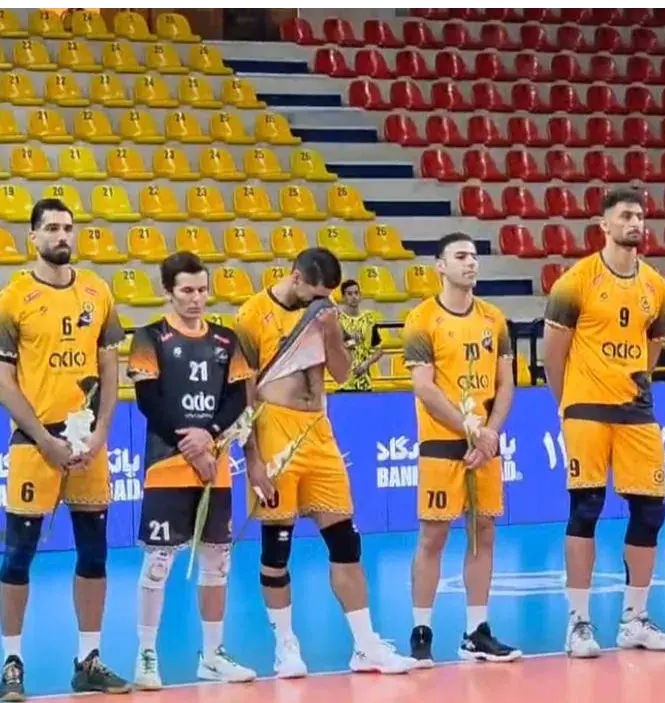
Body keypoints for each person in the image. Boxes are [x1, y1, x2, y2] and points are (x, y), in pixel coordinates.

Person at [234, 247, 413, 676]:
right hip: (274, 429)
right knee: (277, 545)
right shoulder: (252, 315)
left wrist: (331, 330)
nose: (321, 302)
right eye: (315, 295)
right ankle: (286, 646)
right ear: (295, 277)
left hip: (318, 429)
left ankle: (366, 646)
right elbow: (243, 391)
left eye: (326, 296)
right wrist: (252, 459)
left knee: (345, 540)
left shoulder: (325, 313)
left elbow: (344, 373)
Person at [0, 198, 130, 698]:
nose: (62, 236)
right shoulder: (13, 298)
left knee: (94, 552)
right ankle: (12, 662)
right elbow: (5, 381)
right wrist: (43, 439)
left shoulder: (97, 291)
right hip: (36, 442)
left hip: (88, 442)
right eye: (52, 228)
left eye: (68, 228)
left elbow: (110, 368)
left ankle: (89, 659)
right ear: (32, 237)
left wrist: (100, 433)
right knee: (18, 556)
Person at [543, 188, 665, 658]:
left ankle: (634, 619)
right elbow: (552, 355)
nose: (635, 223)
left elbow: (655, 342)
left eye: (640, 215)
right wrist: (568, 403)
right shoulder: (576, 281)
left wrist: (635, 377)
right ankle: (578, 623)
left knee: (651, 511)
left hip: (635, 410)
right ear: (604, 225)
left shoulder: (656, 285)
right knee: (586, 508)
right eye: (625, 216)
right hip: (586, 408)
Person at [126, 252, 257, 689]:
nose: (196, 298)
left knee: (218, 561)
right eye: (187, 290)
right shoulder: (149, 337)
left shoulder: (226, 339)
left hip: (214, 465)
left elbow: (237, 397)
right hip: (168, 464)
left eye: (202, 290)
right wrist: (190, 443)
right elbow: (148, 400)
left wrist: (210, 434)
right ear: (169, 291)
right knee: (159, 561)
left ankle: (213, 655)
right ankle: (146, 654)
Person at [403, 232, 521, 666]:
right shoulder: (421, 319)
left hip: (485, 443)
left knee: (483, 532)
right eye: (460, 256)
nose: (471, 263)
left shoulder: (494, 319)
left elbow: (506, 384)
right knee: (433, 535)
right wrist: (469, 429)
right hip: (442, 440)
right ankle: (421, 630)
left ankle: (476, 631)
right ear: (440, 266)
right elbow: (424, 387)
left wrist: (489, 434)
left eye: (474, 255)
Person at [337, 279, 382, 392]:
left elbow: (379, 350)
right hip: (344, 384)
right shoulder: (337, 320)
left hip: (365, 383)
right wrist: (348, 344)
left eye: (356, 293)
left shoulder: (369, 320)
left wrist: (366, 364)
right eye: (349, 294)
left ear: (360, 296)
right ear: (343, 297)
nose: (354, 297)